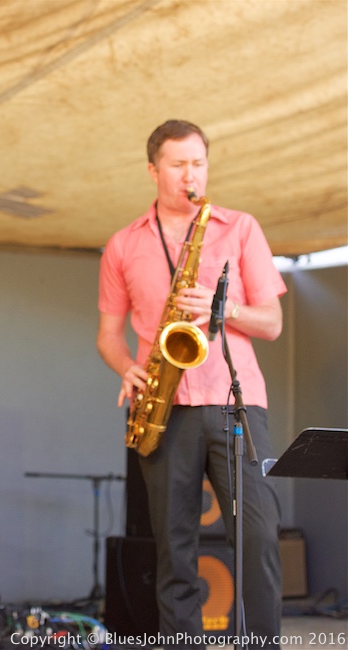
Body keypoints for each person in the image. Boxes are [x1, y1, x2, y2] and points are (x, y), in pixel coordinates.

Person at [97, 120, 285, 647]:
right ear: (153, 170)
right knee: (172, 550)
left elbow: (271, 323)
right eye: (178, 165)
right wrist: (123, 367)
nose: (190, 175)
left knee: (259, 538)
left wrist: (225, 309)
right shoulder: (123, 244)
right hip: (163, 405)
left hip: (235, 403)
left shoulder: (240, 227)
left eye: (198, 163)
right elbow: (108, 335)